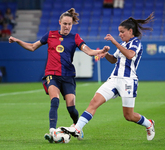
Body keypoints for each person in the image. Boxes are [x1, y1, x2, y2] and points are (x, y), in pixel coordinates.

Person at [8, 8, 109, 143]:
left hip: (68, 76)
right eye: (65, 23)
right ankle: (52, 131)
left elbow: (88, 51)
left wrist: (100, 51)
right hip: (52, 75)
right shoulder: (50, 35)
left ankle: (77, 127)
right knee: (54, 101)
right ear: (60, 22)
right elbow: (32, 47)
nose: (67, 26)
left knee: (71, 107)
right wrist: (17, 40)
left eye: (69, 24)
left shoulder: (75, 38)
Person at [61, 13, 155, 141]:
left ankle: (149, 124)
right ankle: (77, 128)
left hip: (128, 81)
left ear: (130, 31)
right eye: (119, 32)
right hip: (114, 79)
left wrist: (115, 42)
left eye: (122, 32)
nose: (120, 34)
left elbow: (130, 55)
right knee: (94, 102)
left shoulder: (136, 43)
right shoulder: (122, 44)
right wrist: (106, 54)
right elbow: (114, 60)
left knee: (128, 115)